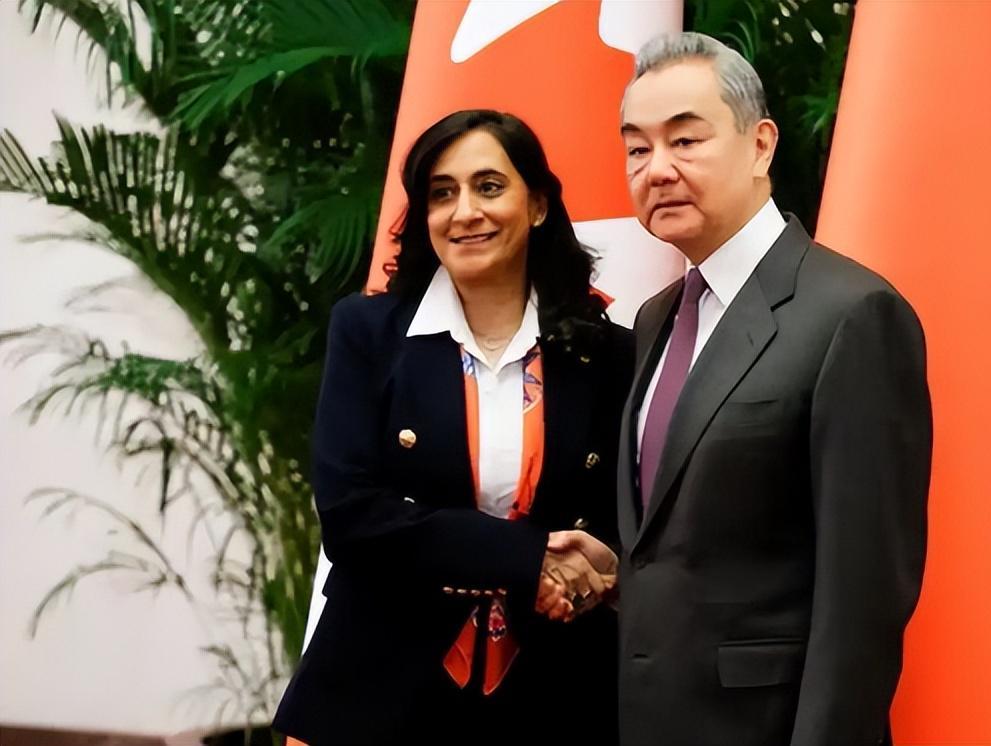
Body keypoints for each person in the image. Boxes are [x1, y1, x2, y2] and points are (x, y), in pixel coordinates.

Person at [611, 32, 932, 746]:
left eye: (685, 141)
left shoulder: (851, 314)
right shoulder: (655, 318)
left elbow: (863, 601)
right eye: (636, 149)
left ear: (760, 145)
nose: (657, 169)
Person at [274, 109, 629, 745]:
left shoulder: (605, 351)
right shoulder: (368, 333)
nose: (465, 211)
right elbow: (353, 518)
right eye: (442, 193)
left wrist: (589, 572)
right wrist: (527, 559)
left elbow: (619, 517)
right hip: (379, 693)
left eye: (489, 187)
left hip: (557, 693)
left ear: (537, 205)